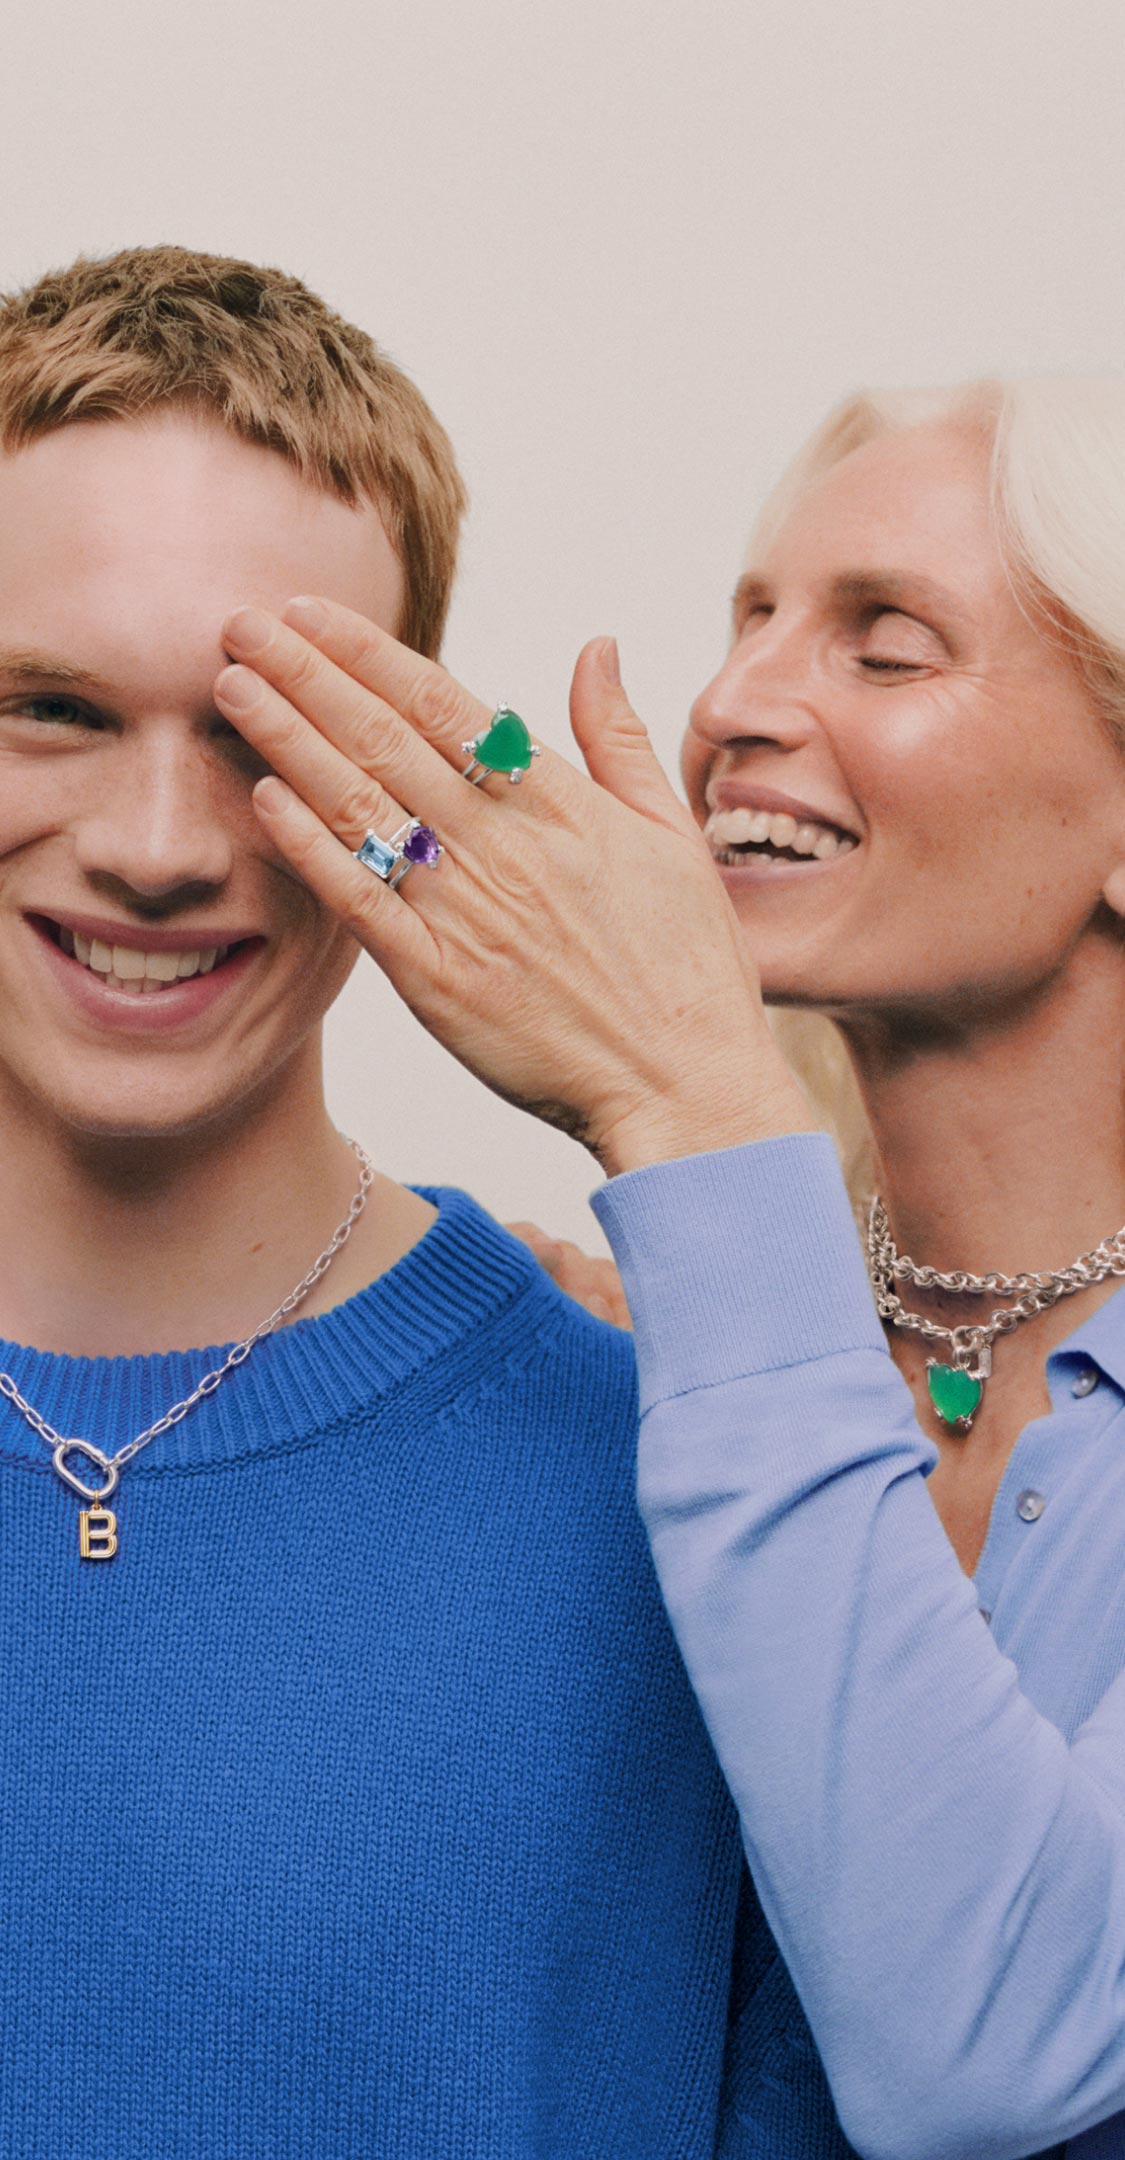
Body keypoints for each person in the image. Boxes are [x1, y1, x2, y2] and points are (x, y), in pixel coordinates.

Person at [230, 372, 1125, 2160]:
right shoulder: (668, 1363)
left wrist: (690, 1108)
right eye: (752, 618)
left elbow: (984, 2052)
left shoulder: (729, 1306)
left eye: (883, 647)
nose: (728, 706)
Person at [0, 242, 813, 2160]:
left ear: (418, 774)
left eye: (263, 729)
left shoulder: (708, 1498)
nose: (156, 849)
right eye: (50, 707)